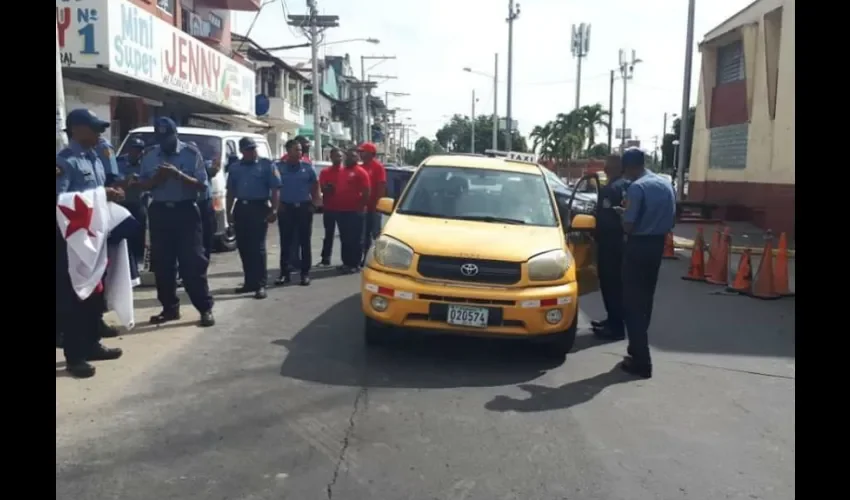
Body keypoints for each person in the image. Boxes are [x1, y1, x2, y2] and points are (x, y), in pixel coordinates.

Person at [56, 108, 125, 378]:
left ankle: (92, 343)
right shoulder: (65, 162)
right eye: (94, 128)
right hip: (71, 241)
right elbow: (59, 202)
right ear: (76, 129)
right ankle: (75, 356)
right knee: (75, 298)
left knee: (95, 294)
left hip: (94, 238)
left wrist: (110, 195)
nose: (99, 133)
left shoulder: (95, 159)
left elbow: (95, 197)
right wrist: (100, 193)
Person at [137, 117, 215, 327]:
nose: (165, 142)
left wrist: (177, 174)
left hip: (186, 212)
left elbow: (202, 186)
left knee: (193, 262)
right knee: (163, 264)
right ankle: (169, 308)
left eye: (168, 137)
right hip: (160, 212)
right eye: (161, 138)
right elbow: (143, 185)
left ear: (175, 135)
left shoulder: (191, 154)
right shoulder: (150, 155)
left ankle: (205, 308)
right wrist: (158, 180)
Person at [617, 148, 676, 378]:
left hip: (638, 246)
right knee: (645, 301)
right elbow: (672, 219)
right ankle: (635, 348)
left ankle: (642, 360)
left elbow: (628, 226)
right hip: (657, 246)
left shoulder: (636, 188)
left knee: (632, 304)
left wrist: (621, 214)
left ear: (630, 167)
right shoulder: (665, 184)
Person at [226, 138, 281, 299]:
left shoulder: (266, 165)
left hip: (259, 207)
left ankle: (260, 284)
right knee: (244, 248)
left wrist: (275, 209)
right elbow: (230, 191)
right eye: (248, 149)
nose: (252, 152)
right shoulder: (235, 168)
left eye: (254, 148)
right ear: (242, 151)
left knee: (258, 248)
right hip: (241, 208)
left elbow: (275, 188)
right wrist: (229, 211)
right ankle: (249, 282)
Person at [592, 155, 630, 341]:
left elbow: (605, 220)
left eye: (607, 166)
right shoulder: (628, 186)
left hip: (610, 244)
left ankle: (615, 327)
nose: (605, 169)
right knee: (619, 286)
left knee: (610, 285)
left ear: (610, 169)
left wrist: (593, 234)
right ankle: (613, 321)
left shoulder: (610, 189)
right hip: (624, 243)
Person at [275, 139, 320, 286]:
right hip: (286, 208)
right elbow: (274, 187)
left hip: (303, 208)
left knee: (304, 242)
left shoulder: (307, 168)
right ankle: (284, 273)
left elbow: (315, 186)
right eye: (296, 149)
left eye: (300, 150)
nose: (299, 152)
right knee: (286, 242)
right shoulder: (279, 167)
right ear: (288, 151)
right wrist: (277, 204)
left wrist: (315, 204)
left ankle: (305, 273)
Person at [335, 147, 371, 273]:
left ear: (357, 158)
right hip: (341, 210)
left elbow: (366, 192)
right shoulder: (342, 171)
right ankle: (346, 262)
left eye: (352, 156)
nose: (349, 158)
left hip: (356, 211)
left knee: (356, 239)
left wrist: (360, 206)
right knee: (344, 238)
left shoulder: (361, 172)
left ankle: (355, 264)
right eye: (348, 156)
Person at [115, 137, 149, 271]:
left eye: (139, 150)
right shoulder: (119, 162)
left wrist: (137, 181)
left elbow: (148, 180)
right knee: (122, 235)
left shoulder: (145, 163)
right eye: (134, 149)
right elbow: (115, 179)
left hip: (138, 204)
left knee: (139, 233)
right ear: (129, 150)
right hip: (122, 205)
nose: (137, 153)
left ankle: (137, 261)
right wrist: (126, 181)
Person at [186, 141, 218, 260]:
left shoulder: (204, 163)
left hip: (204, 203)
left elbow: (212, 170)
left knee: (207, 234)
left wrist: (216, 164)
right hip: (189, 204)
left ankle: (205, 259)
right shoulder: (183, 164)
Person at [358, 142, 386, 265]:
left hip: (374, 207)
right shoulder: (361, 167)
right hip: (363, 207)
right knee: (364, 234)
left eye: (363, 151)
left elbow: (381, 186)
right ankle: (364, 257)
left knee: (376, 234)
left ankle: (379, 259)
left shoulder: (377, 167)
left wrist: (378, 205)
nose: (360, 154)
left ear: (370, 153)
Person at [317, 147, 343, 267]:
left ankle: (346, 260)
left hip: (344, 209)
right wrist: (330, 188)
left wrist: (333, 188)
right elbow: (323, 188)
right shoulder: (325, 172)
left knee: (345, 236)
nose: (339, 158)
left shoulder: (345, 171)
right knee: (328, 235)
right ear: (331, 157)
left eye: (340, 156)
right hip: (329, 208)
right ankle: (325, 259)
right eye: (336, 156)